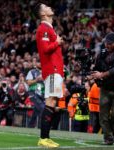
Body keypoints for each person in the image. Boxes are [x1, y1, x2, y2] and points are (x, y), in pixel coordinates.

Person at [35, 3, 64, 148]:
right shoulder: (43, 29)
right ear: (42, 14)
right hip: (52, 69)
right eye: (46, 7)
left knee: (52, 102)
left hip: (55, 69)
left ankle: (46, 137)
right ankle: (43, 138)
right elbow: (46, 49)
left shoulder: (48, 28)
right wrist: (57, 42)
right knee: (50, 101)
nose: (50, 7)